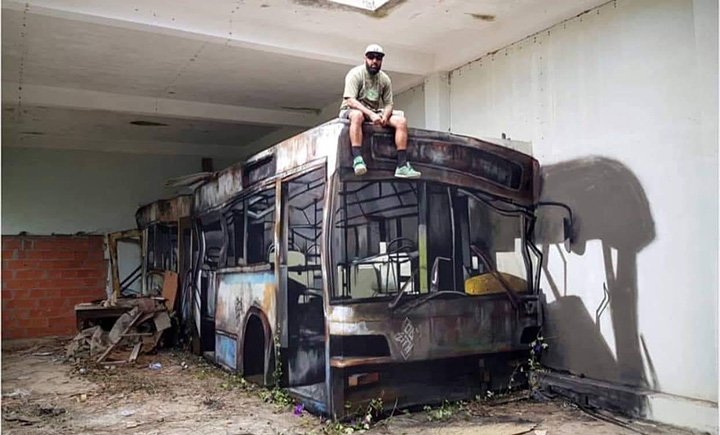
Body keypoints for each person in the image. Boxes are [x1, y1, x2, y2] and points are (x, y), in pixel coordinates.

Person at [339, 44, 421, 179]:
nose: (374, 61)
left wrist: (385, 116)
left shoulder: (384, 79)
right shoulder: (355, 74)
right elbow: (350, 100)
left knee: (401, 121)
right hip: (352, 110)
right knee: (357, 115)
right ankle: (358, 159)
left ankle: (402, 165)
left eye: (378, 58)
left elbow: (389, 104)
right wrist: (371, 115)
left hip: (374, 111)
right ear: (365, 58)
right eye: (371, 57)